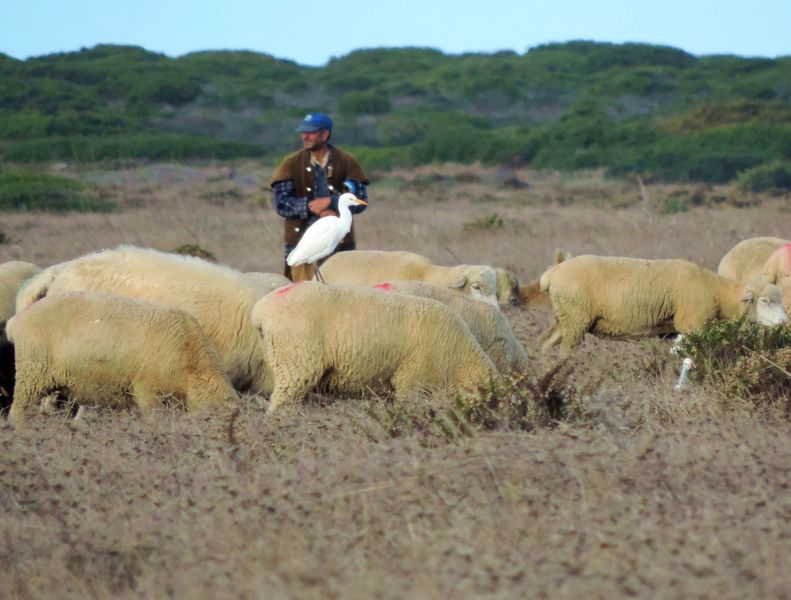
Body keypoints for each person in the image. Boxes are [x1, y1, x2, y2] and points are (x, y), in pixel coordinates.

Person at [270, 112, 369, 281]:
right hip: (301, 244)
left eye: (311, 132)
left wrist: (332, 201)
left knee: (343, 291)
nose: (305, 136)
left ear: (325, 134)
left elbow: (360, 201)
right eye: (303, 132)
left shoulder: (346, 162)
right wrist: (313, 207)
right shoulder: (291, 163)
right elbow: (281, 204)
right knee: (301, 293)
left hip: (341, 247)